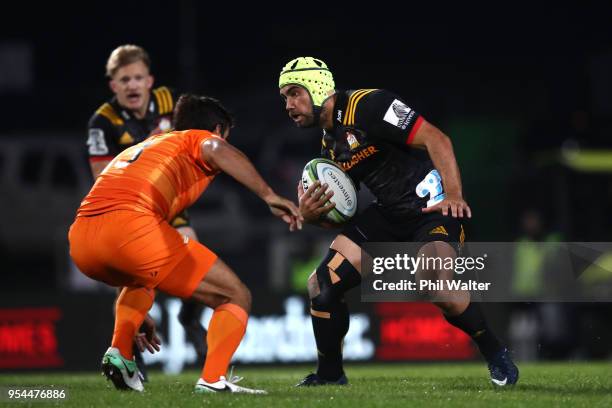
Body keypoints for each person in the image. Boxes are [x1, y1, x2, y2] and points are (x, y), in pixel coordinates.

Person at [278, 57, 519, 387]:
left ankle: (494, 351)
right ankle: (330, 375)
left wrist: (453, 195)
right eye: (285, 98)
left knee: (433, 281)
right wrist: (312, 216)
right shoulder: (328, 144)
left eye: (294, 93)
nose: (289, 105)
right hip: (389, 213)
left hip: (431, 207)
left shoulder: (371, 105)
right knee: (321, 285)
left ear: (318, 86)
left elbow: (437, 139)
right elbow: (341, 217)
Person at [70, 94, 302, 393]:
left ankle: (120, 352)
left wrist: (135, 313)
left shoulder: (146, 147)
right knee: (234, 295)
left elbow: (124, 247)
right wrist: (269, 195)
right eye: (225, 136)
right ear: (217, 129)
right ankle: (213, 379)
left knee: (141, 281)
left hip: (82, 240)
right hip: (129, 228)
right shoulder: (199, 139)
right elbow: (215, 147)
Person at [86, 44, 207, 375]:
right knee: (131, 288)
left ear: (150, 80)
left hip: (168, 206)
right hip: (124, 214)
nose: (132, 85)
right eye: (124, 79)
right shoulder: (103, 122)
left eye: (138, 77)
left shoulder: (170, 102)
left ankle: (190, 319)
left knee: (196, 259)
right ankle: (130, 359)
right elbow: (102, 180)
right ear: (114, 85)